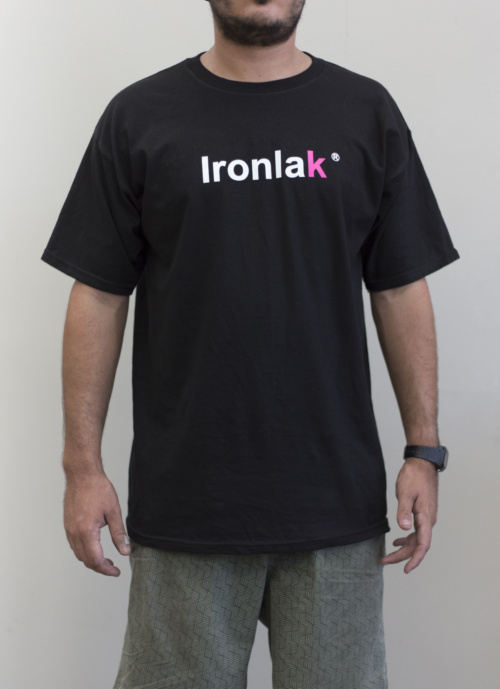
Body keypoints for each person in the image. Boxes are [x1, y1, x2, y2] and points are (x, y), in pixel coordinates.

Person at [42, 1, 459, 687]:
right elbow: (99, 295)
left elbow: (399, 287)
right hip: (187, 502)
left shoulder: (365, 112)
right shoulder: (139, 116)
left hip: (334, 499)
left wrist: (425, 449)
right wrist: (81, 468)